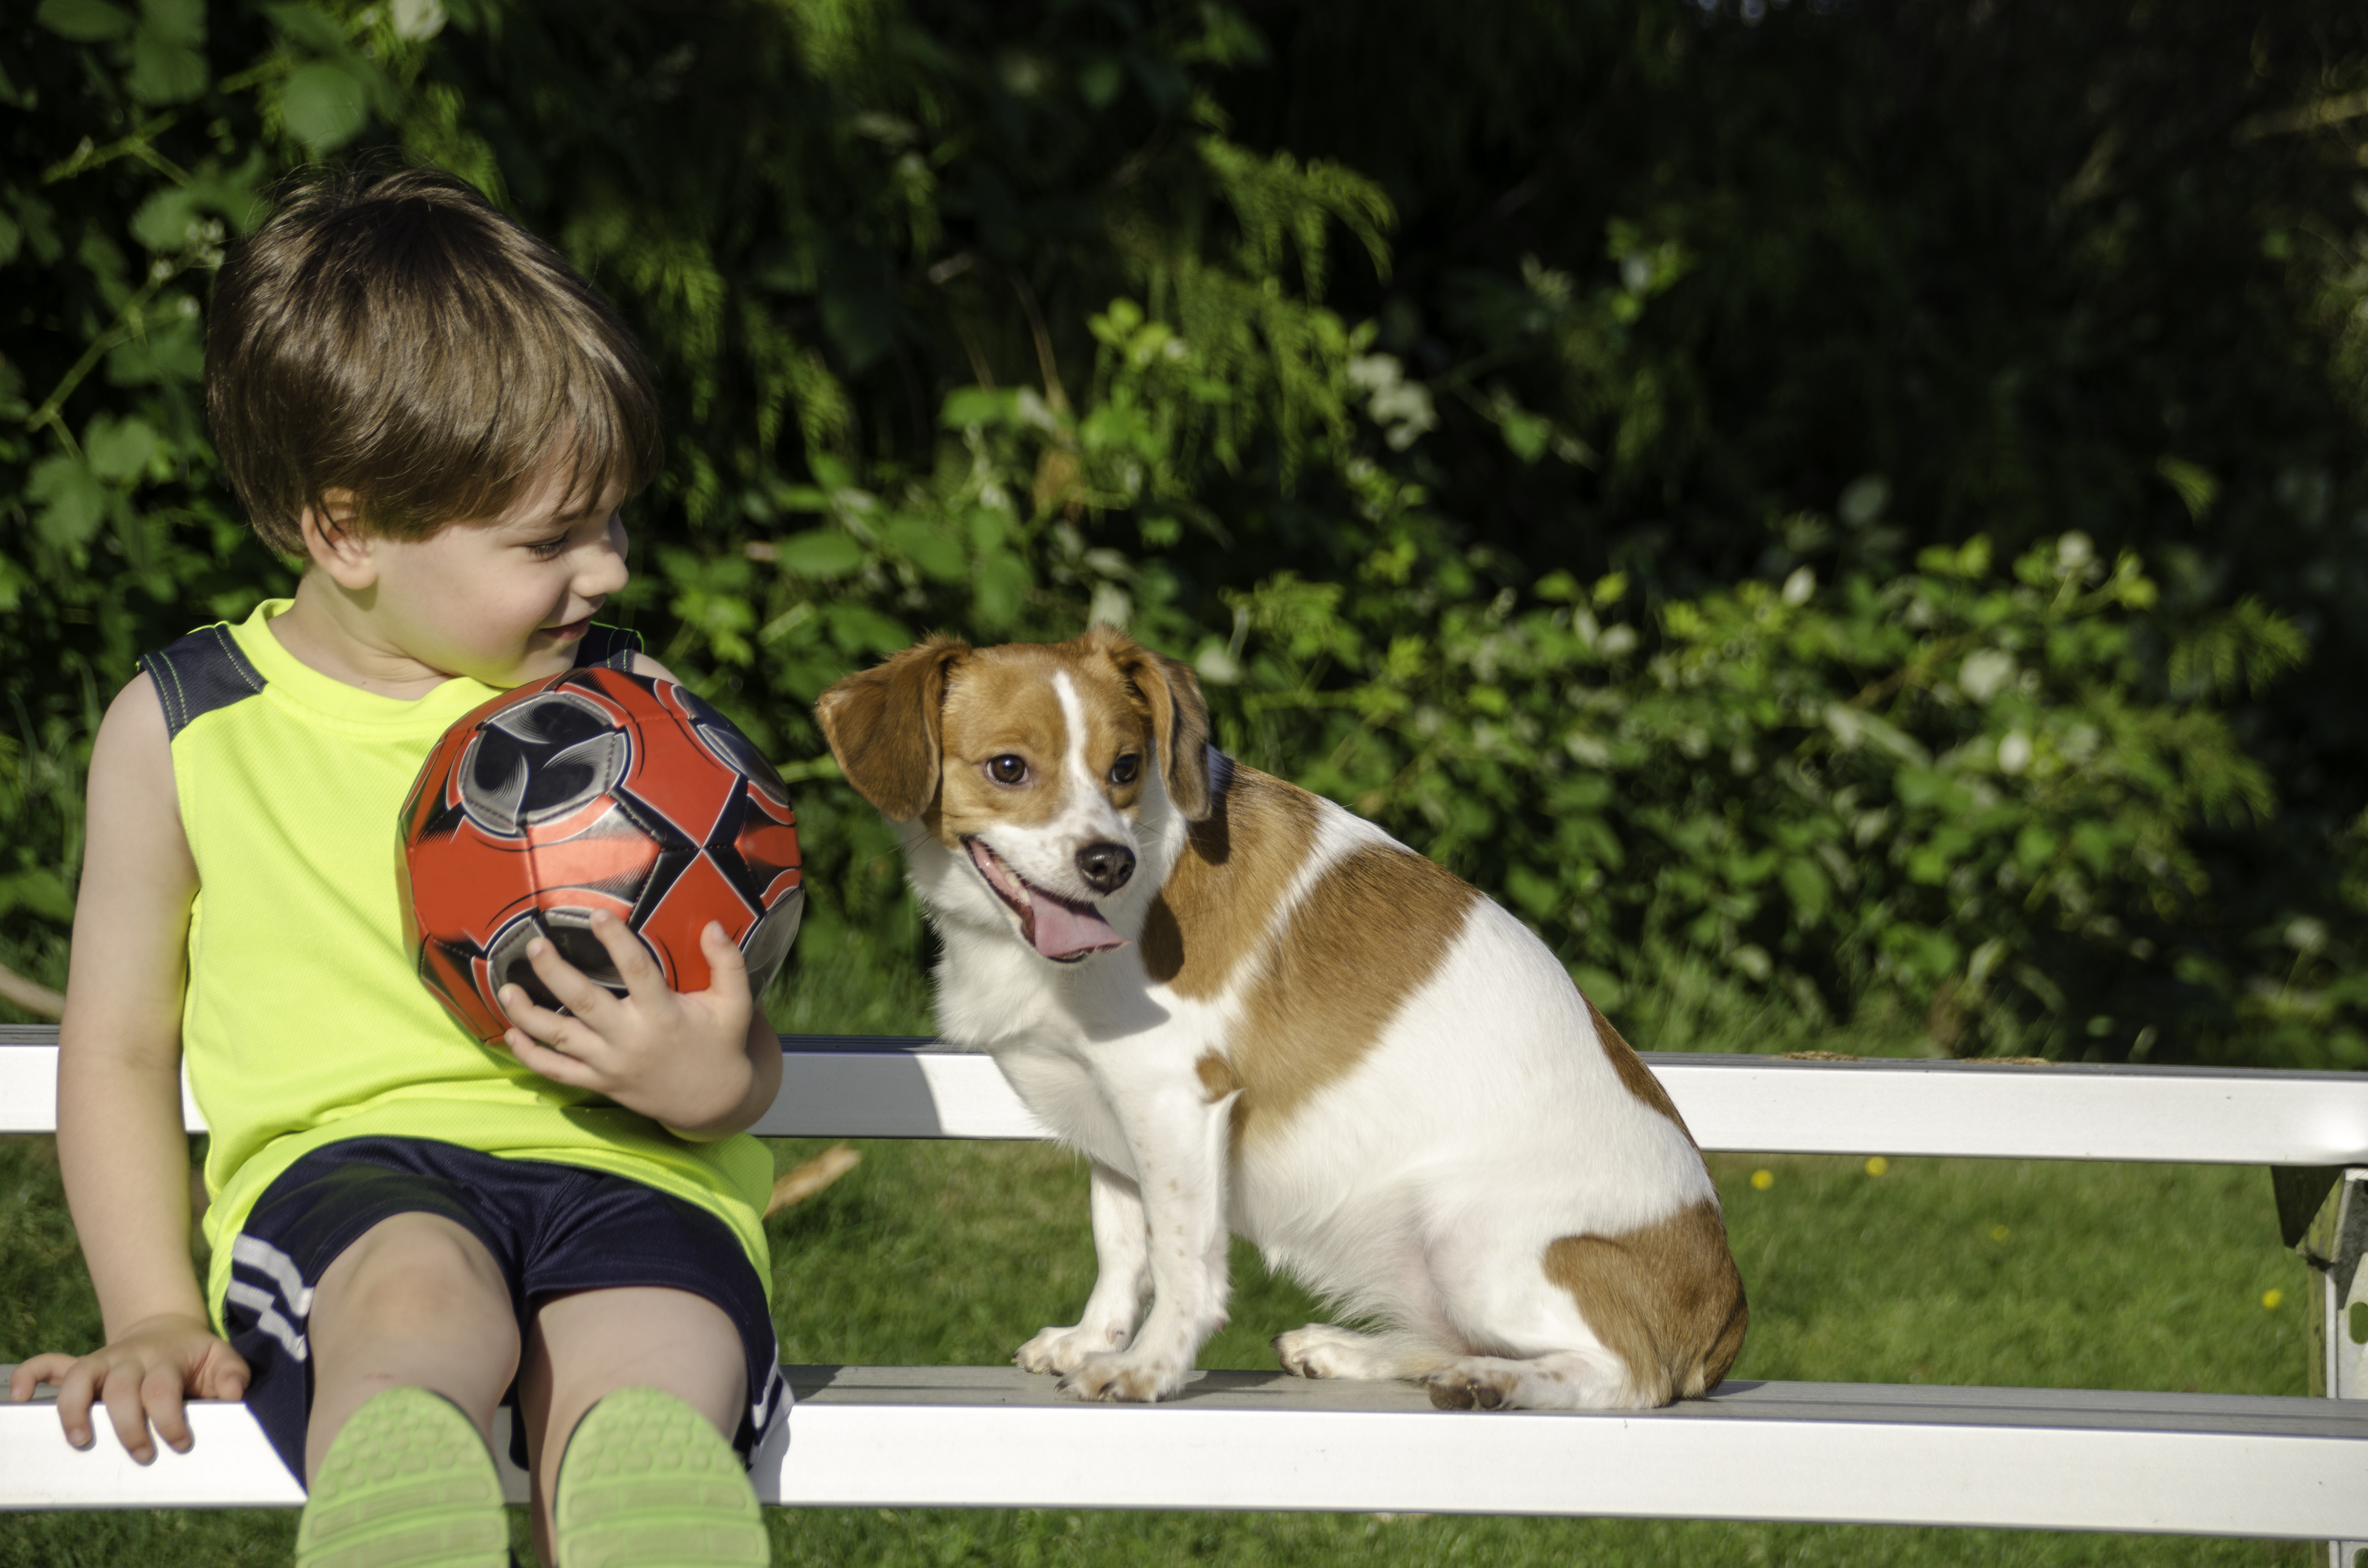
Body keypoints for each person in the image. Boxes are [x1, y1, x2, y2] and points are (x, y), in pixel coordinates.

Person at [5, 166, 785, 1568]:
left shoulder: (633, 719)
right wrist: (151, 1313)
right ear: (348, 528)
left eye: (612, 522)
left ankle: (645, 1502)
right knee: (415, 1304)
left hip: (629, 1168)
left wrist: (708, 1081)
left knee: (656, 1348)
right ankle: (395, 1504)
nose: (605, 572)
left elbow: (736, 1023)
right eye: (551, 540)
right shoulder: (189, 726)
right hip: (349, 1179)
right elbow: (118, 1049)